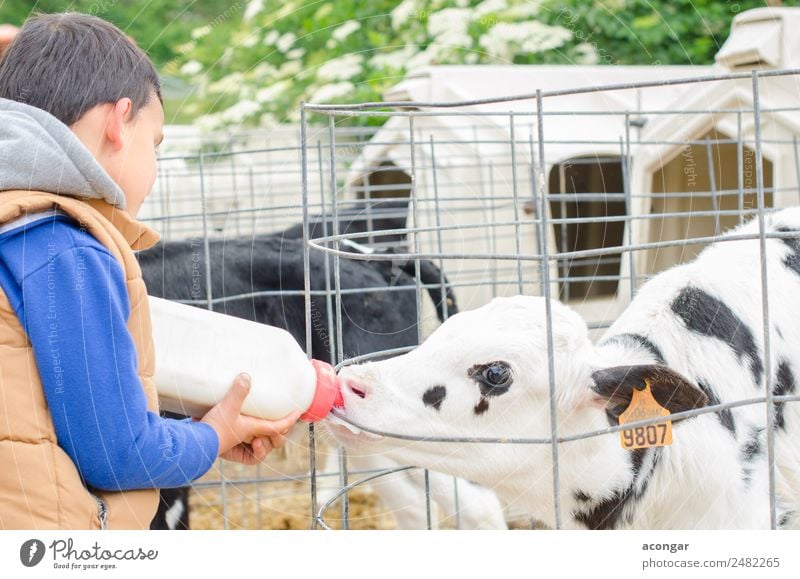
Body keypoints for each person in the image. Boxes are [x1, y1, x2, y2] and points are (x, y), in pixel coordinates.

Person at [0, 12, 300, 530]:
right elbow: (117, 455)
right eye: (155, 143)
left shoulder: (15, 223)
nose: (154, 168)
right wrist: (215, 435)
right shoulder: (64, 246)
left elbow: (58, 413)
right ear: (119, 122)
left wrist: (192, 435)